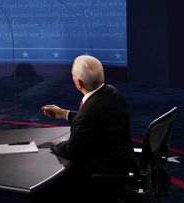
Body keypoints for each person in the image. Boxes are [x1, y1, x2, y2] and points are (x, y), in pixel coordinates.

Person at [40, 55, 137, 202]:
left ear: (79, 83)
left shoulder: (89, 113)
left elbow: (71, 151)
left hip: (103, 174)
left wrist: (57, 144)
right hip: (123, 164)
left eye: (72, 76)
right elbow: (96, 118)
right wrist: (65, 114)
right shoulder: (112, 92)